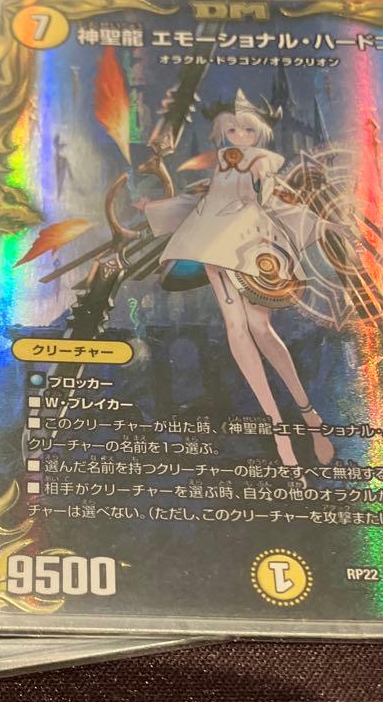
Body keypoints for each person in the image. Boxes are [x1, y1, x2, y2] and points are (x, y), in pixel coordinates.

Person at [136, 90, 337, 468]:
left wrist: (318, 222)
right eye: (232, 130)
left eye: (247, 130)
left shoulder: (261, 162)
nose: (239, 136)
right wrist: (154, 209)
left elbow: (275, 200)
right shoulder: (223, 166)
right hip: (215, 244)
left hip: (251, 247)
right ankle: (278, 428)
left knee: (260, 328)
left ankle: (309, 415)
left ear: (259, 133)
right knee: (236, 327)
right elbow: (201, 204)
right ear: (222, 132)